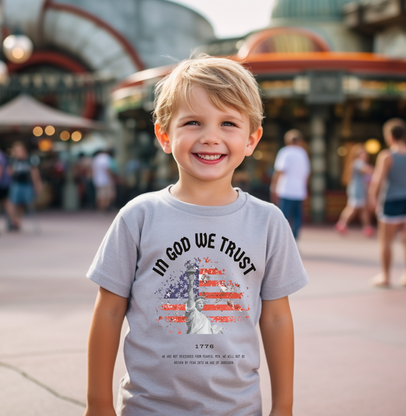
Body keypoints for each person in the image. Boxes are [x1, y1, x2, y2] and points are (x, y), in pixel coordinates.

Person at [84, 55, 308, 416]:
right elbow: (109, 310)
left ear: (251, 139)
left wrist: (284, 406)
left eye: (228, 123)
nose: (210, 137)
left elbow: (277, 317)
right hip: (147, 407)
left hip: (238, 408)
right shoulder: (138, 216)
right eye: (192, 122)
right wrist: (97, 404)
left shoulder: (268, 222)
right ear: (164, 135)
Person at [369, 118, 406, 287]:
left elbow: (378, 180)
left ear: (390, 136)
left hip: (391, 201)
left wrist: (372, 198)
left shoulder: (386, 156)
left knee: (385, 241)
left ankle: (385, 275)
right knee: (405, 241)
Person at [271, 129, 310, 239]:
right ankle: (294, 241)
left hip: (285, 190)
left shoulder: (285, 152)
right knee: (297, 218)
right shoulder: (303, 153)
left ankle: (282, 241)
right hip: (299, 192)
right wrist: (305, 189)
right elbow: (306, 174)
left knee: (284, 218)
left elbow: (279, 171)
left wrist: (273, 187)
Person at [335, 144, 374, 237]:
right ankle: (342, 224)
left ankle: (367, 227)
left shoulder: (357, 163)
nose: (364, 155)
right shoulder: (358, 163)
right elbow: (368, 170)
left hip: (359, 190)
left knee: (363, 210)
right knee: (352, 208)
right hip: (357, 190)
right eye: (362, 153)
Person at [7, 141, 42, 230]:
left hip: (26, 184)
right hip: (16, 184)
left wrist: (37, 184)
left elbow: (34, 173)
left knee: (23, 203)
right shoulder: (13, 160)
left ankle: (18, 221)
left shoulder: (30, 159)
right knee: (13, 203)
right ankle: (13, 220)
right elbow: (9, 172)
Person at [185, 262, 223, 334]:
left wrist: (216, 330)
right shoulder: (193, 312)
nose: (202, 305)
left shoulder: (205, 319)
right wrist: (191, 283)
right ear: (195, 304)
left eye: (203, 303)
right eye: (199, 303)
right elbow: (190, 298)